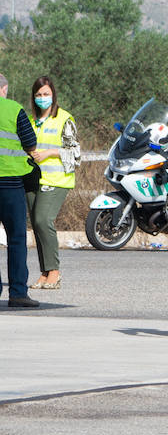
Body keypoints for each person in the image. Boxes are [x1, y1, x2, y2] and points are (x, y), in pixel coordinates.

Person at [26, 76, 80, 290]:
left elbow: (75, 153)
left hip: (56, 179)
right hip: (32, 179)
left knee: (43, 220)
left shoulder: (64, 119)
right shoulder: (31, 120)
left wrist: (50, 152)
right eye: (38, 95)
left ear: (53, 95)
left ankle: (54, 271)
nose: (42, 98)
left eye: (46, 94)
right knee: (37, 226)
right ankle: (45, 272)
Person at [0, 74, 41, 308]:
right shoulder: (14, 109)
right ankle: (17, 293)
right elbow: (30, 143)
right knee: (16, 238)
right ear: (4, 88)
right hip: (10, 183)